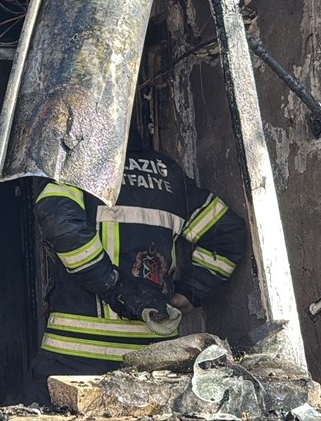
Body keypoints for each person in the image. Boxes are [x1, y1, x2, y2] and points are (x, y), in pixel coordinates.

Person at [20, 139, 247, 403]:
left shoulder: (75, 167)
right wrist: (191, 292)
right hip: (155, 362)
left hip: (74, 359)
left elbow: (61, 223)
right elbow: (227, 231)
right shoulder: (169, 174)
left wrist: (113, 287)